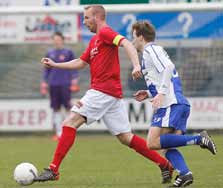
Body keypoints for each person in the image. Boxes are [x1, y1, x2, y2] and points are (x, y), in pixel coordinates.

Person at [35, 5, 173, 184]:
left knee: (69, 122)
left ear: (97, 17)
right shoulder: (94, 41)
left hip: (102, 91)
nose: (84, 22)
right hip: (111, 95)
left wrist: (136, 65)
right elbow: (80, 62)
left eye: (86, 18)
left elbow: (125, 43)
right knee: (126, 137)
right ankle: (164, 164)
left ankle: (53, 169)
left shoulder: (106, 32)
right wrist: (55, 64)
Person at [131, 20, 217, 187]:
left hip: (171, 104)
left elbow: (168, 67)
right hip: (176, 102)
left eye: (133, 37)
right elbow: (166, 76)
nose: (132, 40)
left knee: (152, 142)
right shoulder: (152, 52)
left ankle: (199, 139)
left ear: (141, 37)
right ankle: (185, 174)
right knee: (166, 146)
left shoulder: (151, 49)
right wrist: (149, 93)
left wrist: (161, 93)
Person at [40, 31, 79, 141]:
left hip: (65, 84)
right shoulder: (50, 53)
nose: (56, 41)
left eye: (58, 39)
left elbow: (75, 66)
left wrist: (74, 79)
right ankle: (58, 133)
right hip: (53, 84)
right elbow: (46, 70)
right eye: (55, 39)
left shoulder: (68, 52)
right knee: (56, 108)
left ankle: (68, 132)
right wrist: (44, 81)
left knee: (67, 107)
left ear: (62, 40)